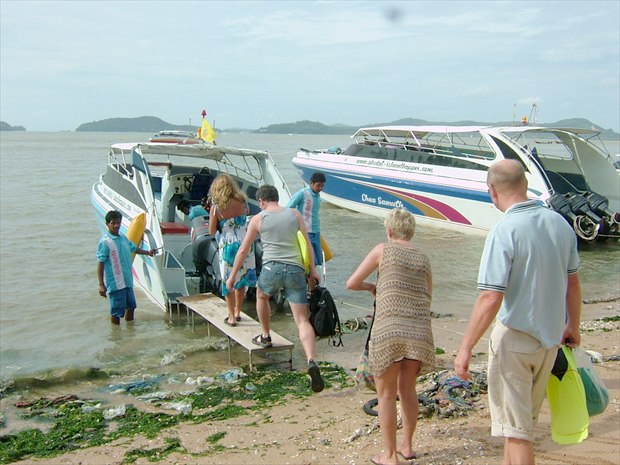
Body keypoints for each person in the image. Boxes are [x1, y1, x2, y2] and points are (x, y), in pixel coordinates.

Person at [454, 159, 582, 465]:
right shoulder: (560, 224)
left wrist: (465, 349)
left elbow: (489, 297)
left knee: (519, 433)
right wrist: (573, 326)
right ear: (524, 185)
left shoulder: (504, 230)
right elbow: (573, 284)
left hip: (515, 340)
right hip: (548, 343)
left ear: (492, 191)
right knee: (517, 429)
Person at [346, 208, 435, 465]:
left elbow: (352, 282)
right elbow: (427, 296)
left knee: (385, 395)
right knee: (408, 390)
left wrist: (372, 286)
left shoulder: (383, 249)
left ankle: (390, 456)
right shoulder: (424, 259)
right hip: (418, 331)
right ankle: (407, 446)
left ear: (389, 231)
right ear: (412, 231)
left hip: (389, 331)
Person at [226, 185, 324, 392]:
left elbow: (244, 249)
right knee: (302, 320)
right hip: (296, 270)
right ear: (277, 198)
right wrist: (313, 271)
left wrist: (233, 275)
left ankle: (266, 336)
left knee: (262, 297)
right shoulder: (294, 213)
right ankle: (311, 360)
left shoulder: (259, 218)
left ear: (261, 201)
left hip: (272, 268)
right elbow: (307, 243)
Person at [208, 174, 257, 327]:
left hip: (228, 244)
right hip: (246, 243)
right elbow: (245, 218)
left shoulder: (216, 208)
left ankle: (231, 317)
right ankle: (237, 311)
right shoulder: (243, 202)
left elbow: (210, 232)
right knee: (241, 278)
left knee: (228, 281)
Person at [97, 210, 156, 324]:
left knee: (131, 307)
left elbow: (134, 248)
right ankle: (117, 336)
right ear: (107, 224)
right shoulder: (105, 242)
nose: (116, 226)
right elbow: (100, 263)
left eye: (118, 223)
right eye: (113, 223)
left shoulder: (123, 238)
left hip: (127, 281)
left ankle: (130, 332)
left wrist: (147, 252)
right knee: (116, 312)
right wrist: (101, 285)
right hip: (116, 283)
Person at [286, 172, 326, 266]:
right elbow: (288, 208)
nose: (320, 188)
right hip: (306, 232)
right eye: (318, 185)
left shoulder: (318, 195)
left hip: (316, 232)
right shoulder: (302, 193)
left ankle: (317, 279)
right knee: (311, 261)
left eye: (322, 186)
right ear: (311, 183)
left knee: (320, 261)